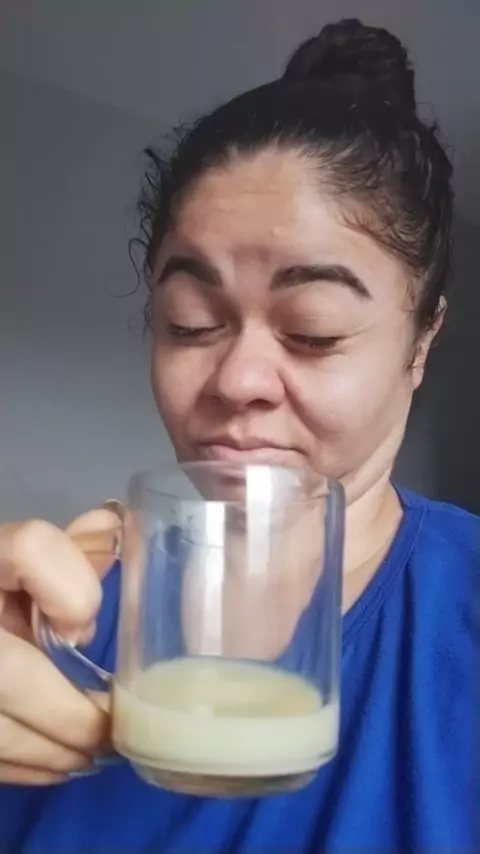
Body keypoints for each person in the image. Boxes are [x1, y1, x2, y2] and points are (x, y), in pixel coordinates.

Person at [0, 17, 477, 854]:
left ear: (421, 344)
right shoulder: (53, 622)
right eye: (190, 323)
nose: (236, 380)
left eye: (314, 330)